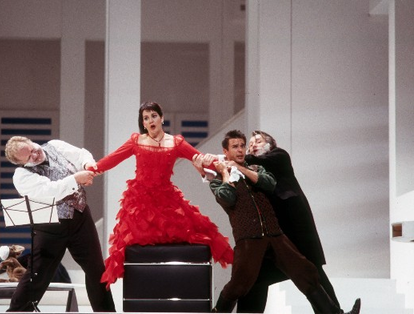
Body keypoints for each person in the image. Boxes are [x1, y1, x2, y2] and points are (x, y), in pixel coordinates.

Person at [193, 130, 360, 314]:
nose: (248, 148)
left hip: (284, 233)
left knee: (308, 272)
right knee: (244, 284)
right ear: (226, 151)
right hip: (252, 237)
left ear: (270, 143)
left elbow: (267, 180)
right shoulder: (225, 176)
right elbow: (227, 197)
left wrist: (230, 164)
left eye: (251, 143)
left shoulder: (274, 158)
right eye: (243, 145)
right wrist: (218, 169)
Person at [89, 101, 234, 289]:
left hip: (167, 202)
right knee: (127, 246)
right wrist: (92, 169)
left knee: (201, 231)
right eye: (146, 118)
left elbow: (200, 157)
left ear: (161, 118)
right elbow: (112, 159)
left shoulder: (175, 143)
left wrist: (227, 165)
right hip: (140, 203)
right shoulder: (136, 141)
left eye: (153, 116)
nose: (150, 121)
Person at [4, 136, 115, 312]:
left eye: (33, 148)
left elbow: (80, 155)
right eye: (29, 157)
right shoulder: (22, 176)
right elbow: (51, 190)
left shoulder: (55, 146)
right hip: (50, 227)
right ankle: (16, 311)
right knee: (37, 274)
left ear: (31, 141)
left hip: (80, 218)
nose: (35, 154)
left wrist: (86, 166)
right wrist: (76, 179)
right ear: (22, 164)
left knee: (97, 270)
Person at [238, 130, 341, 313]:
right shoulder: (252, 169)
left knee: (312, 269)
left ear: (270, 143)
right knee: (256, 277)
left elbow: (263, 162)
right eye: (251, 143)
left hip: (295, 227)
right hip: (275, 234)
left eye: (258, 141)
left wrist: (236, 159)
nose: (253, 145)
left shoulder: (278, 155)